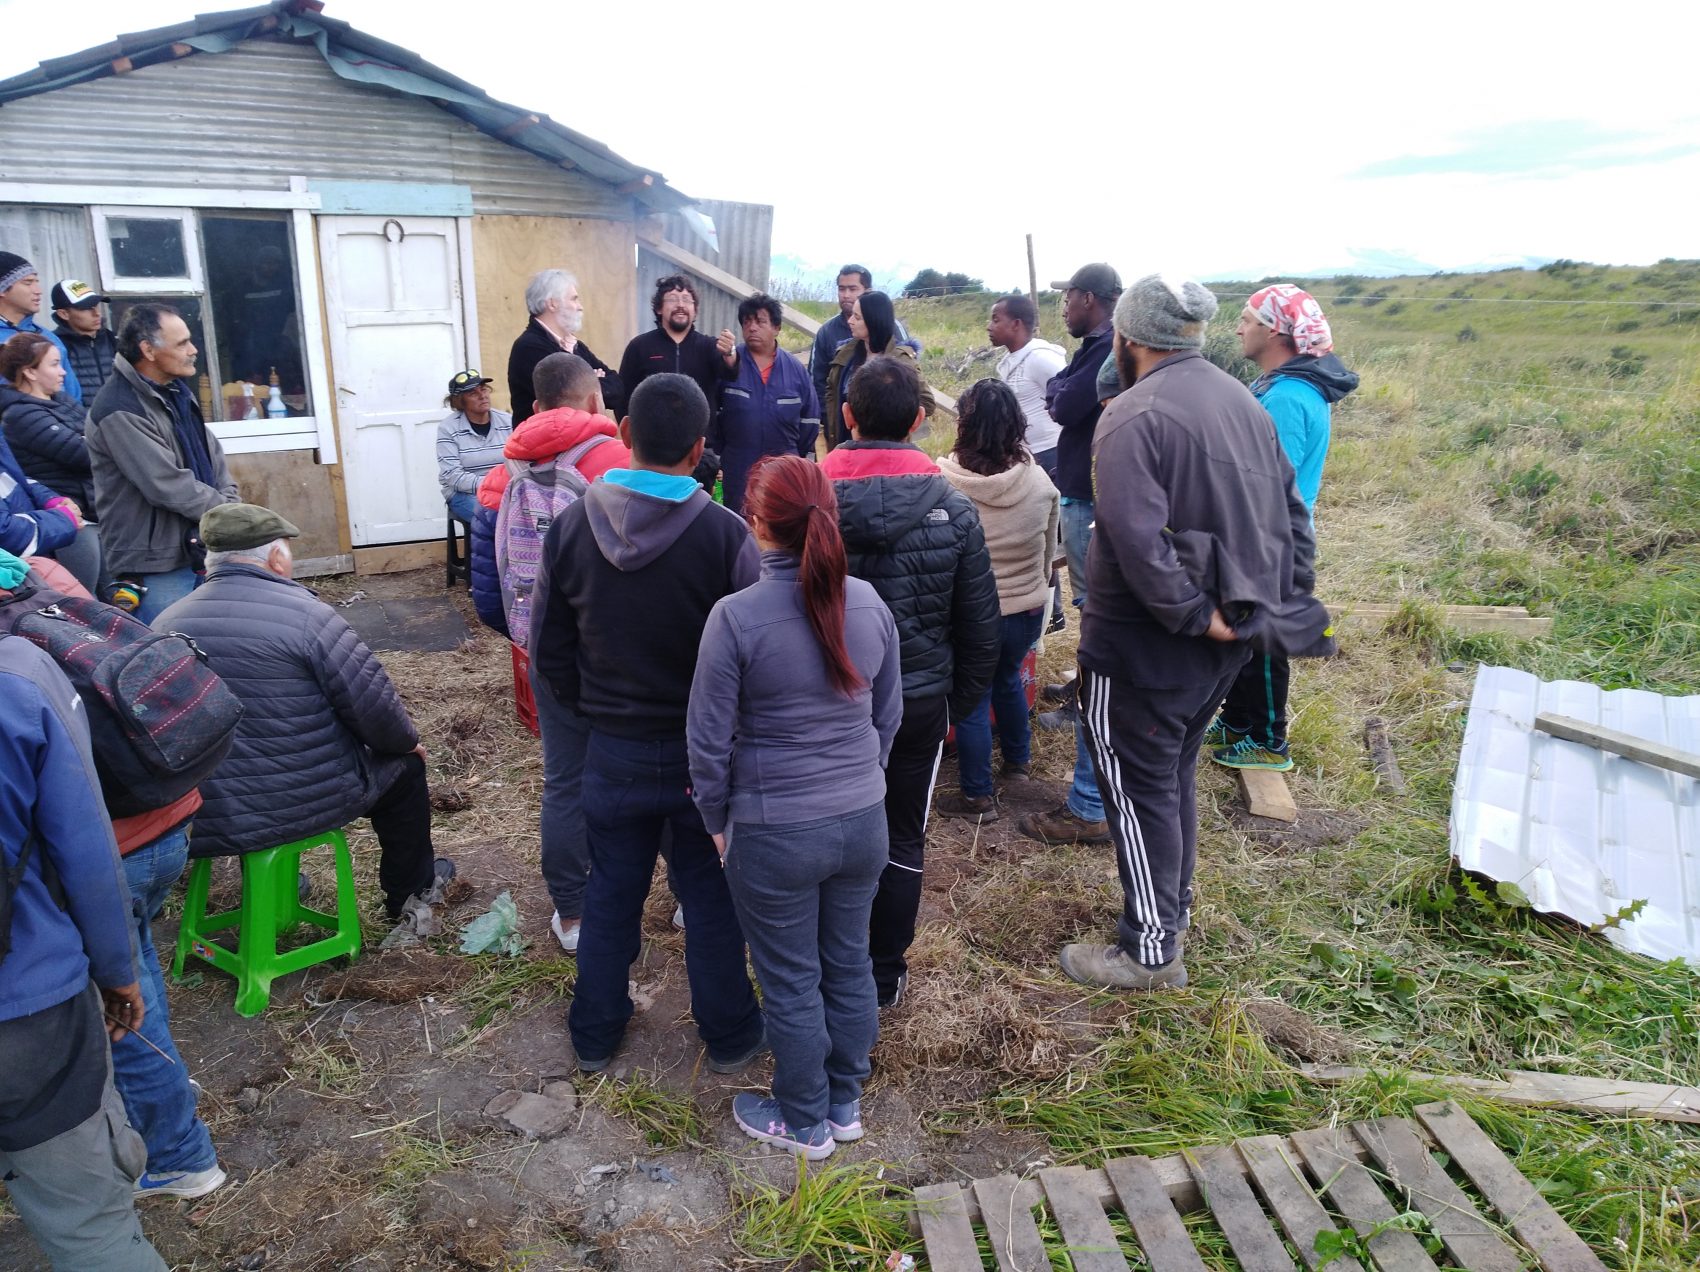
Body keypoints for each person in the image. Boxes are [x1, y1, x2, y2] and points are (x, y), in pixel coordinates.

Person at [1061, 275, 1314, 991]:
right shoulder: (1245, 400)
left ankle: (1149, 949)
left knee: (1137, 787)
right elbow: (1292, 513)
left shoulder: (1133, 415)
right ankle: (1171, 910)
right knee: (1170, 774)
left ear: (1130, 336)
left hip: (1143, 649)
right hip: (1221, 649)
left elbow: (1139, 544)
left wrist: (1193, 614)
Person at [530, 373, 764, 1074]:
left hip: (614, 752)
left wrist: (594, 711)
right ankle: (729, 1035)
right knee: (710, 897)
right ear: (700, 450)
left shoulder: (572, 524)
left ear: (624, 434)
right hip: (703, 762)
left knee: (609, 892)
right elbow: (754, 656)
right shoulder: (728, 537)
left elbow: (549, 649)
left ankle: (596, 1032)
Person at [688, 454, 901, 1159]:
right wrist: (863, 780)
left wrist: (717, 824)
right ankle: (844, 1101)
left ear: (757, 526)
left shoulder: (736, 618)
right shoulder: (869, 604)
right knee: (846, 960)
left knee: (789, 976)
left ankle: (803, 1118)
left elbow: (707, 744)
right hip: (864, 820)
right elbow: (887, 717)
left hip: (775, 828)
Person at [2, 554, 225, 1201]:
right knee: (140, 976)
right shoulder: (44, 576)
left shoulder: (13, 664)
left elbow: (71, 833)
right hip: (171, 814)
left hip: (114, 847)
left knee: (123, 1008)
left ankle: (180, 1155)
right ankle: (171, 1103)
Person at [155, 504, 456, 925]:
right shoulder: (307, 616)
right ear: (276, 558)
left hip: (205, 808)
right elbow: (373, 707)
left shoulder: (164, 622)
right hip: (299, 799)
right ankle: (411, 895)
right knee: (405, 769)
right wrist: (407, 743)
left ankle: (277, 880)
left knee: (240, 765)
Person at [820, 356, 999, 1009]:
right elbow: (980, 629)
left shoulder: (805, 501)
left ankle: (822, 963)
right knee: (899, 835)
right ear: (921, 421)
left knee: (820, 827)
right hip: (917, 703)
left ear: (846, 416)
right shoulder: (953, 511)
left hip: (818, 702)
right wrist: (956, 704)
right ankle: (881, 972)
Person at [0, 608, 167, 1270]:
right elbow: (86, 848)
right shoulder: (18, 677)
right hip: (28, 1009)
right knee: (88, 1226)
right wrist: (117, 970)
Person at [471, 353, 631, 953]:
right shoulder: (616, 465)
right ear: (595, 402)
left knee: (565, 780)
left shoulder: (502, 473)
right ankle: (690, 902)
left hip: (544, 651)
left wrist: (523, 640)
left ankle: (574, 915)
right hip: (617, 655)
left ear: (534, 409)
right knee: (659, 767)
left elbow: (487, 585)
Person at [1209, 285, 1359, 772]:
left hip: (1269, 538)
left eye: (1248, 318)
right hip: (1262, 535)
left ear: (1275, 331)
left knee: (1266, 640)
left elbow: (1272, 483)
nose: (1239, 328)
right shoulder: (1279, 387)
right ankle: (1238, 720)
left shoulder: (1289, 398)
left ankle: (1269, 739)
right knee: (1247, 635)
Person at [1019, 263, 1122, 849]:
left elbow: (1061, 405)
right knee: (1090, 617)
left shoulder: (1105, 350)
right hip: (1083, 491)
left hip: (1088, 497)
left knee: (1093, 615)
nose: (1063, 307)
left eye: (1069, 298)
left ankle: (1089, 795)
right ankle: (1085, 696)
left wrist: (1062, 393)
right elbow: (1063, 399)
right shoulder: (1092, 349)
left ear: (1089, 298)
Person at [933, 379, 1059, 820]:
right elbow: (1048, 554)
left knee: (971, 700)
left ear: (964, 423)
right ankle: (1017, 764)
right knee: (1007, 680)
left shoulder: (945, 484)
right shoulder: (1040, 482)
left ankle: (976, 796)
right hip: (1025, 607)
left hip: (971, 614)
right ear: (1016, 423)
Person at [87, 303, 239, 625]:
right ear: (148, 350)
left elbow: (212, 454)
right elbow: (167, 485)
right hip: (154, 564)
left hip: (196, 547)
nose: (193, 350)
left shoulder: (176, 393)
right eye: (182, 343)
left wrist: (231, 504)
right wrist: (230, 515)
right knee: (171, 655)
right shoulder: (119, 409)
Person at [988, 293, 1068, 632]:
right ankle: (1052, 612)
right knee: (1036, 538)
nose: (989, 327)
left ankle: (1053, 612)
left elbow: (1069, 393)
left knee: (1045, 537)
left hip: (1049, 456)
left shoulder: (1040, 359)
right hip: (1024, 457)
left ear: (1016, 325)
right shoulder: (1009, 361)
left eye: (996, 320)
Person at [0, 334, 96, 592]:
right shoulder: (21, 415)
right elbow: (87, 455)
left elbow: (17, 478)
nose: (63, 372)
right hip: (71, 521)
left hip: (79, 510)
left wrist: (49, 499)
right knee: (81, 600)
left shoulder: (61, 401)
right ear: (29, 372)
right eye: (54, 364)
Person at [710, 293, 820, 513]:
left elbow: (810, 419)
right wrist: (721, 456)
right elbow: (713, 413)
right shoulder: (729, 365)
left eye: (760, 321)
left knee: (780, 524)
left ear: (777, 327)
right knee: (740, 526)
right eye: (747, 322)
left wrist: (793, 457)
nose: (752, 327)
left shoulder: (795, 371)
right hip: (738, 467)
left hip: (783, 469)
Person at [507, 269, 624, 425]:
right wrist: (593, 380)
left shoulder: (576, 346)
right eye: (574, 299)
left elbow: (617, 387)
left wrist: (586, 385)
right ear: (553, 304)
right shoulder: (529, 347)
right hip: (545, 446)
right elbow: (568, 400)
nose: (580, 307)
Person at [618, 274, 735, 427]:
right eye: (672, 299)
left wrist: (730, 353)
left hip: (700, 444)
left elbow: (731, 374)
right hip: (652, 444)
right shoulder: (639, 346)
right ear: (659, 308)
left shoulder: (710, 346)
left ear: (695, 311)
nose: (680, 305)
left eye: (686, 299)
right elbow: (623, 397)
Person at [823, 292, 933, 450]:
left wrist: (888, 420)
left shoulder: (901, 361)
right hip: (844, 448)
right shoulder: (845, 355)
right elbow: (831, 392)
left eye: (857, 317)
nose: (850, 321)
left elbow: (927, 403)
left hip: (888, 453)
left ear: (874, 321)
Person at [807, 264, 918, 414]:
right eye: (841, 289)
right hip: (842, 426)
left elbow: (912, 386)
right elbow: (817, 382)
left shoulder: (893, 328)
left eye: (852, 289)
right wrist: (829, 421)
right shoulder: (827, 332)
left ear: (867, 291)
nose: (846, 295)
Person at [0, 252, 82, 405]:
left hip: (57, 426)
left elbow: (73, 395)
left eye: (37, 282)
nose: (38, 290)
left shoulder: (48, 337)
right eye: (28, 282)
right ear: (3, 290)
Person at [436, 369, 514, 525]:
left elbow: (521, 461)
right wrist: (491, 484)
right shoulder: (448, 428)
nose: (482, 395)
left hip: (505, 489)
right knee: (493, 520)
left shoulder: (507, 421)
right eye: (473, 393)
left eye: (484, 389)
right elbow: (452, 475)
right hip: (465, 493)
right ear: (460, 401)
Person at [51, 279, 118, 401]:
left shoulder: (112, 339)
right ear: (64, 314)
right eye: (86, 308)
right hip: (77, 418)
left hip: (117, 417)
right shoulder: (54, 345)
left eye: (96, 305)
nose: (97, 313)